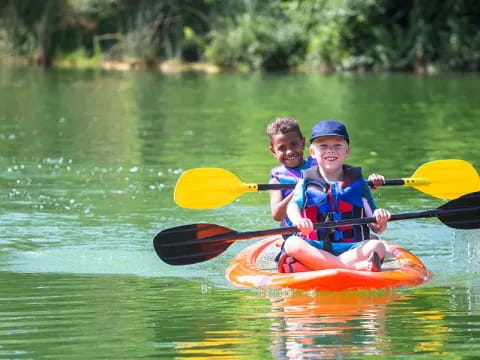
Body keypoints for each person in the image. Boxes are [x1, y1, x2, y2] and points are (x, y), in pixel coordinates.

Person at [280, 119, 390, 273]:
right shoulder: (305, 181)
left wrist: (381, 219)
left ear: (347, 151)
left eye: (337, 146)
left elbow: (378, 228)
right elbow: (292, 206)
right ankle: (357, 268)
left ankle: (310, 267)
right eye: (323, 146)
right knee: (292, 243)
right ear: (312, 152)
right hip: (315, 246)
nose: (330, 150)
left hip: (353, 247)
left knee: (376, 245)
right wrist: (299, 220)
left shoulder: (358, 183)